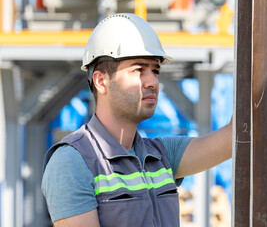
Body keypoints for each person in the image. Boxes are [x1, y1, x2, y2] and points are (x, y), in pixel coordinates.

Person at [41, 13, 232, 227]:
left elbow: (234, 137)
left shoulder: (162, 156)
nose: (152, 82)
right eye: (138, 70)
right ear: (101, 81)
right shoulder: (72, 161)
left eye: (155, 71)